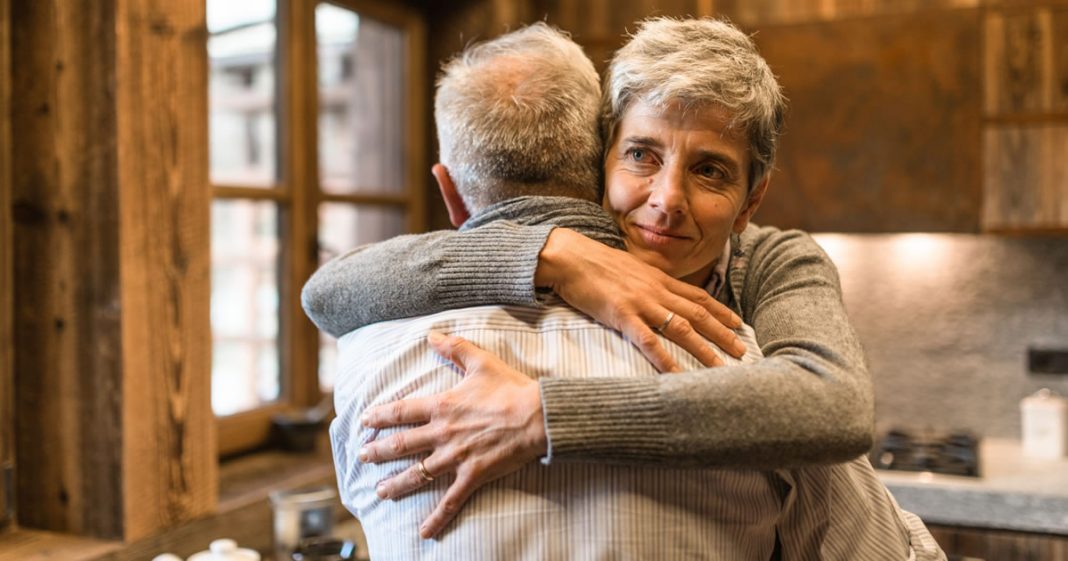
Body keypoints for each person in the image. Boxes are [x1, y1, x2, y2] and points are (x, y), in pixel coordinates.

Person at [308, 18, 944, 560]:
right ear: (599, 159)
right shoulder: (536, 266)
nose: (666, 202)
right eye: (642, 155)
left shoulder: (770, 266)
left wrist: (546, 414)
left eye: (710, 171)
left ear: (752, 202)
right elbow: (330, 290)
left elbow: (832, 407)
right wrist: (550, 253)